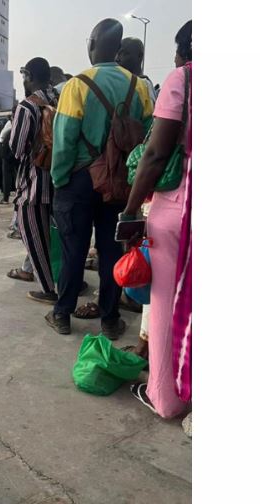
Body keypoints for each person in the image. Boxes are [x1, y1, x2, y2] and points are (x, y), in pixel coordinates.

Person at [46, 18, 153, 338]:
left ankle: (63, 314)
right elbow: (148, 139)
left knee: (73, 250)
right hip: (120, 182)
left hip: (79, 180)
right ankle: (109, 319)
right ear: (118, 48)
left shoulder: (77, 85)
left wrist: (59, 179)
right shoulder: (140, 87)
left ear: (92, 44)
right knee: (111, 250)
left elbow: (63, 141)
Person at [121, 21, 192, 419]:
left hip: (180, 211)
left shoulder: (184, 79)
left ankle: (166, 397)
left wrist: (130, 213)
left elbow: (154, 154)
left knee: (165, 304)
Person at [6, 57, 60, 302]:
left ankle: (48, 289)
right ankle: (71, 281)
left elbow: (17, 149)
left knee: (34, 237)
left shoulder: (27, 107)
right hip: (62, 180)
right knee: (62, 237)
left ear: (29, 76)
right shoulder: (60, 99)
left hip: (34, 183)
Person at [116, 37, 158, 104]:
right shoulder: (121, 83)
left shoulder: (145, 85)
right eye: (117, 54)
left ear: (139, 56)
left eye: (123, 54)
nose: (117, 59)